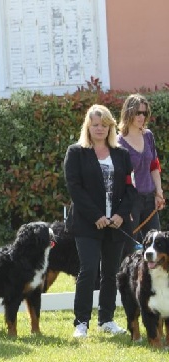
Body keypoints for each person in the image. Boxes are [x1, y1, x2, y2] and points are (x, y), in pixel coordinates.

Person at [63, 104, 136, 338]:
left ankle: (106, 319)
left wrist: (120, 215)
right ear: (88, 126)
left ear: (110, 127)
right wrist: (96, 216)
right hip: (87, 223)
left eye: (104, 124)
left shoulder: (122, 154)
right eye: (95, 124)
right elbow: (75, 188)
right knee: (88, 269)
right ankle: (81, 322)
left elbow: (130, 189)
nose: (100, 128)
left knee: (111, 272)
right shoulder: (76, 152)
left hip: (115, 224)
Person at [117, 94, 165, 255]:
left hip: (150, 198)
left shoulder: (148, 135)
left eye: (144, 113)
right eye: (138, 113)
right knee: (128, 250)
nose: (141, 117)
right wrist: (125, 206)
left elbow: (154, 165)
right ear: (128, 112)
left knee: (157, 247)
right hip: (131, 202)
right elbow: (119, 178)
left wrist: (159, 192)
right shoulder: (118, 142)